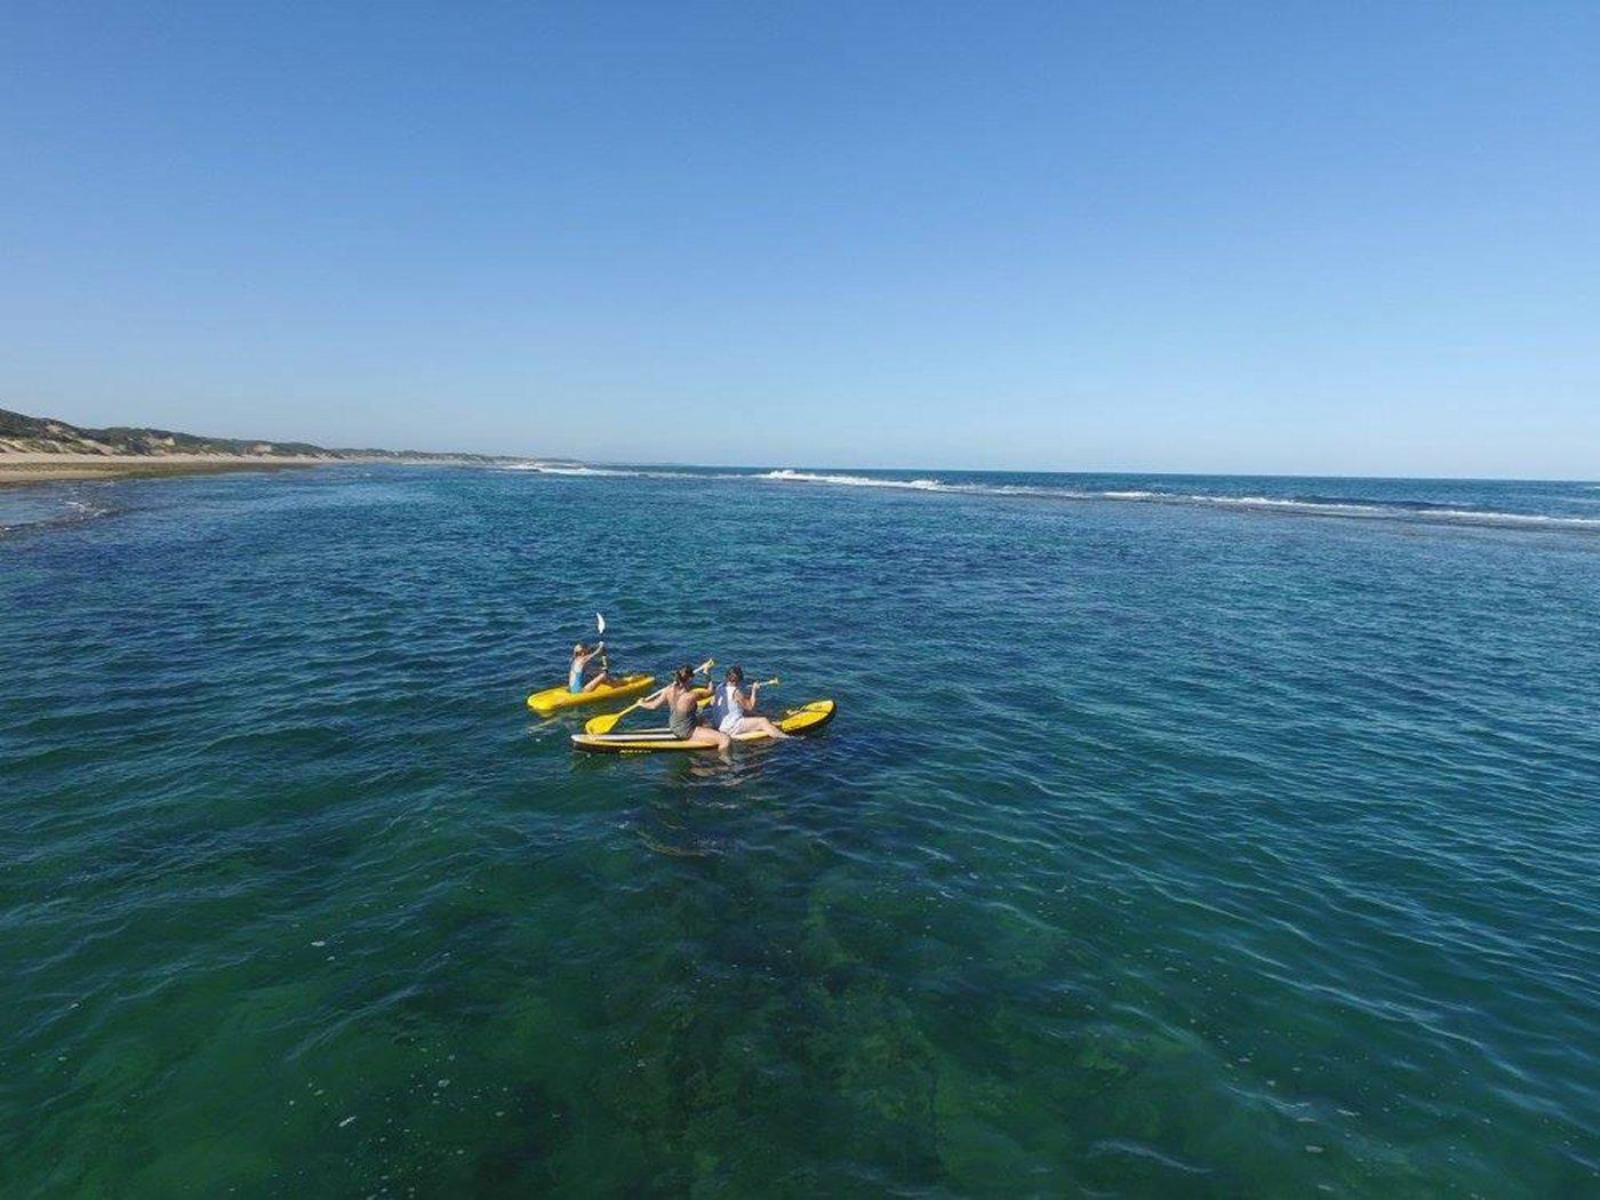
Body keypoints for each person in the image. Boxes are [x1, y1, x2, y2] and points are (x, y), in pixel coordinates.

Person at [637, 664, 730, 751]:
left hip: (674, 726)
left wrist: (642, 703)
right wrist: (707, 673)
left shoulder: (668, 690)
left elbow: (653, 706)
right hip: (686, 731)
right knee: (725, 739)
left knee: (705, 721)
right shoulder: (692, 695)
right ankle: (720, 762)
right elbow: (711, 691)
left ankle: (708, 736)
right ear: (689, 679)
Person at [713, 666, 792, 740]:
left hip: (719, 724)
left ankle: (771, 722)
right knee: (762, 721)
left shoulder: (719, 687)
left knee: (750, 713)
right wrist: (754, 691)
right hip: (730, 727)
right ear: (739, 679)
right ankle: (787, 738)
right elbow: (750, 707)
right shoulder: (736, 692)